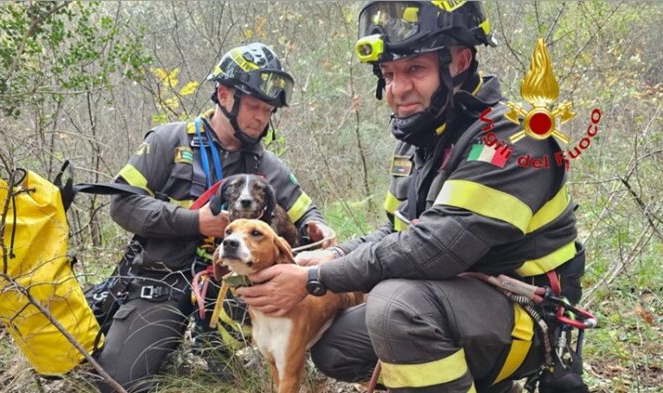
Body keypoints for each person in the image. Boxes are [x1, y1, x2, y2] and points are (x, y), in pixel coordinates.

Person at [238, 2, 586, 392]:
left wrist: (315, 278)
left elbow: (434, 248)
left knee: (394, 306)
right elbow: (395, 230)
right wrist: (334, 254)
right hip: (460, 301)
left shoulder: (510, 138)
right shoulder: (421, 141)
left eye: (415, 70)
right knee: (337, 347)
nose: (397, 89)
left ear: (460, 61)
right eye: (388, 74)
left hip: (525, 313)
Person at [97, 42, 335, 392]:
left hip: (235, 285)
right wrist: (195, 223)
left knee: (220, 381)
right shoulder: (169, 140)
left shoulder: (265, 164)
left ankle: (222, 356)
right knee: (117, 381)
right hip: (164, 280)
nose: (261, 118)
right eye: (255, 107)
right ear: (224, 95)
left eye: (269, 111)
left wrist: (318, 225)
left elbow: (305, 211)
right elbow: (121, 204)